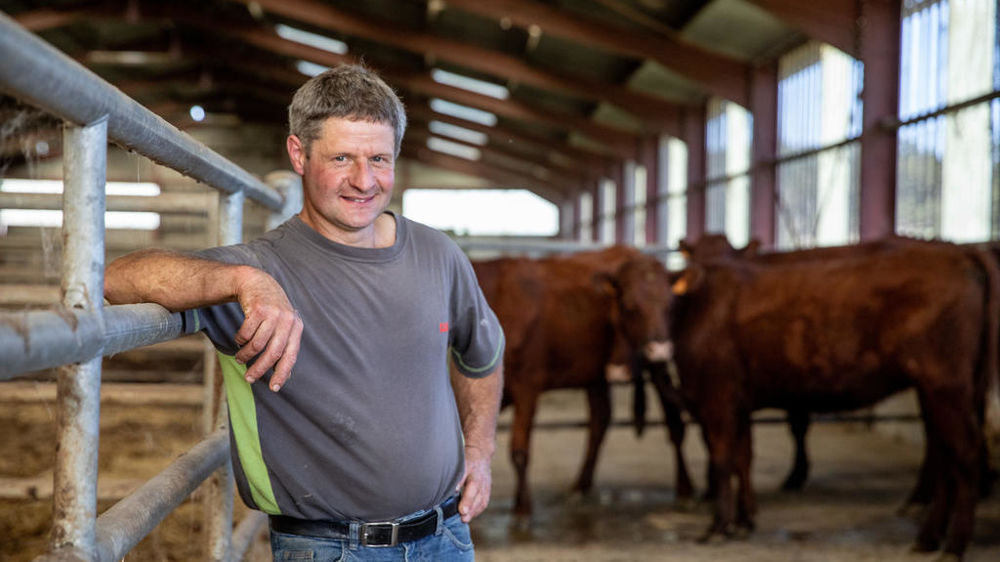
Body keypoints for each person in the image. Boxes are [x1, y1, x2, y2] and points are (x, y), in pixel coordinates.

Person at [104, 64, 505, 561]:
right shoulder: (259, 268)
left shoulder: (438, 255)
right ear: (299, 154)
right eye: (342, 158)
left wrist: (479, 453)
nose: (364, 181)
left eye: (379, 159)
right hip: (329, 548)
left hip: (446, 537)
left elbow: (482, 355)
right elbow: (118, 278)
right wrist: (244, 281)